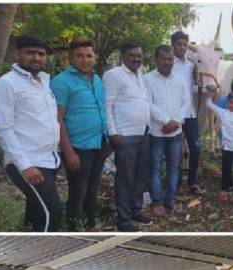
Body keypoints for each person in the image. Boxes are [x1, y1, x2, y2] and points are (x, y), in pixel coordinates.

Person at [0, 35, 62, 232]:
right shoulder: (5, 85)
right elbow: (3, 129)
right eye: (30, 53)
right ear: (17, 54)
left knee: (37, 212)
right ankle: (46, 258)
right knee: (52, 213)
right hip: (28, 161)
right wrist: (26, 165)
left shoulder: (44, 83)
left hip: (49, 159)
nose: (37, 57)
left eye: (41, 54)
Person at [51, 37, 108, 231]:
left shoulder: (97, 79)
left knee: (93, 188)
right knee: (78, 190)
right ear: (71, 58)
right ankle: (75, 227)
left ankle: (91, 224)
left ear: (94, 57)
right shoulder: (61, 82)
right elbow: (58, 119)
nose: (85, 60)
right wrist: (68, 152)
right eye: (80, 56)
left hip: (99, 143)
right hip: (77, 147)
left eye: (89, 55)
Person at [104, 41, 153, 232]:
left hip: (143, 134)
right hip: (124, 136)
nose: (136, 59)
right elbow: (108, 106)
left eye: (139, 55)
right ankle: (123, 221)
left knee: (140, 177)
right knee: (125, 179)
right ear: (123, 56)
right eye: (132, 55)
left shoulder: (140, 75)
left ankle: (135, 211)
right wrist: (113, 132)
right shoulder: (113, 75)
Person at [144, 45, 191, 217]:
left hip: (175, 133)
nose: (167, 62)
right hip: (157, 132)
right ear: (156, 60)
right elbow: (147, 104)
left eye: (170, 59)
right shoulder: (147, 79)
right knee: (155, 168)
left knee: (174, 167)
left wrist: (176, 122)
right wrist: (165, 121)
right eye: (163, 59)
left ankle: (170, 198)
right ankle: (157, 201)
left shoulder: (179, 80)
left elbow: (186, 102)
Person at [171, 30, 201, 195]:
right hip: (175, 114)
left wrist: (203, 87)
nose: (182, 47)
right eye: (179, 44)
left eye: (184, 44)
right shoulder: (169, 64)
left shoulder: (191, 66)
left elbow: (193, 88)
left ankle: (191, 182)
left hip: (191, 113)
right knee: (175, 150)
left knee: (196, 148)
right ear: (173, 46)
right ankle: (175, 184)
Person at [206, 93, 233, 202]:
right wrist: (211, 92)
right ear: (227, 103)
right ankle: (224, 190)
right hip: (226, 148)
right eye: (231, 102)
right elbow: (208, 103)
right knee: (226, 170)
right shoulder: (222, 113)